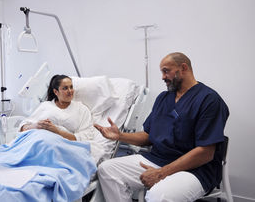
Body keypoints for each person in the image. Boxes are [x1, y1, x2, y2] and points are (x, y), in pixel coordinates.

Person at [94, 52, 229, 202]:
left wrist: (161, 173)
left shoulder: (209, 100)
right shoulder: (163, 98)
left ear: (183, 68)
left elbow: (206, 153)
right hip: (158, 159)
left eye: (166, 71)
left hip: (195, 169)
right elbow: (148, 136)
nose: (163, 77)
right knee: (107, 169)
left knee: (159, 194)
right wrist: (120, 136)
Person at [19, 74, 104, 162]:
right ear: (56, 92)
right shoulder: (45, 106)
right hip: (39, 142)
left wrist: (57, 131)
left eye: (71, 87)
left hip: (62, 147)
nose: (70, 91)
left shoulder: (81, 109)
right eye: (65, 88)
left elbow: (85, 137)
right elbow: (23, 128)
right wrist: (36, 126)